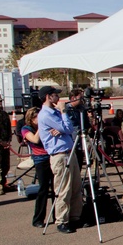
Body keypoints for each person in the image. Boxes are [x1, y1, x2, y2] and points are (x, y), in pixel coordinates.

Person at [38, 85, 82, 233]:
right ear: (48, 97)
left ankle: (75, 216)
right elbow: (68, 128)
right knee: (64, 189)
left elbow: (67, 129)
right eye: (55, 95)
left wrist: (62, 126)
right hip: (60, 155)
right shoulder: (46, 114)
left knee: (76, 187)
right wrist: (63, 113)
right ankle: (62, 220)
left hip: (70, 151)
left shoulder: (55, 112)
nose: (58, 98)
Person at [21, 107, 52, 228]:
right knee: (43, 188)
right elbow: (34, 139)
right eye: (37, 118)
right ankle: (38, 219)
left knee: (56, 188)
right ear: (31, 118)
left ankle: (57, 215)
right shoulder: (26, 129)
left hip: (51, 156)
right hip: (40, 159)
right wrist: (41, 127)